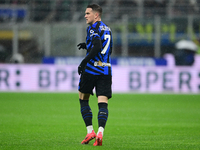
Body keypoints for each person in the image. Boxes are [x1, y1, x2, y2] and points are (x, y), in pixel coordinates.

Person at [77, 3, 113, 146]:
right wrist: (87, 45)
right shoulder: (108, 29)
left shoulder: (92, 28)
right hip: (106, 70)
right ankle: (100, 133)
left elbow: (97, 45)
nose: (85, 16)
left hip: (92, 69)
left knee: (83, 97)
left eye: (87, 13)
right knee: (103, 102)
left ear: (96, 15)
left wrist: (84, 62)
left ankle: (90, 131)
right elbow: (107, 48)